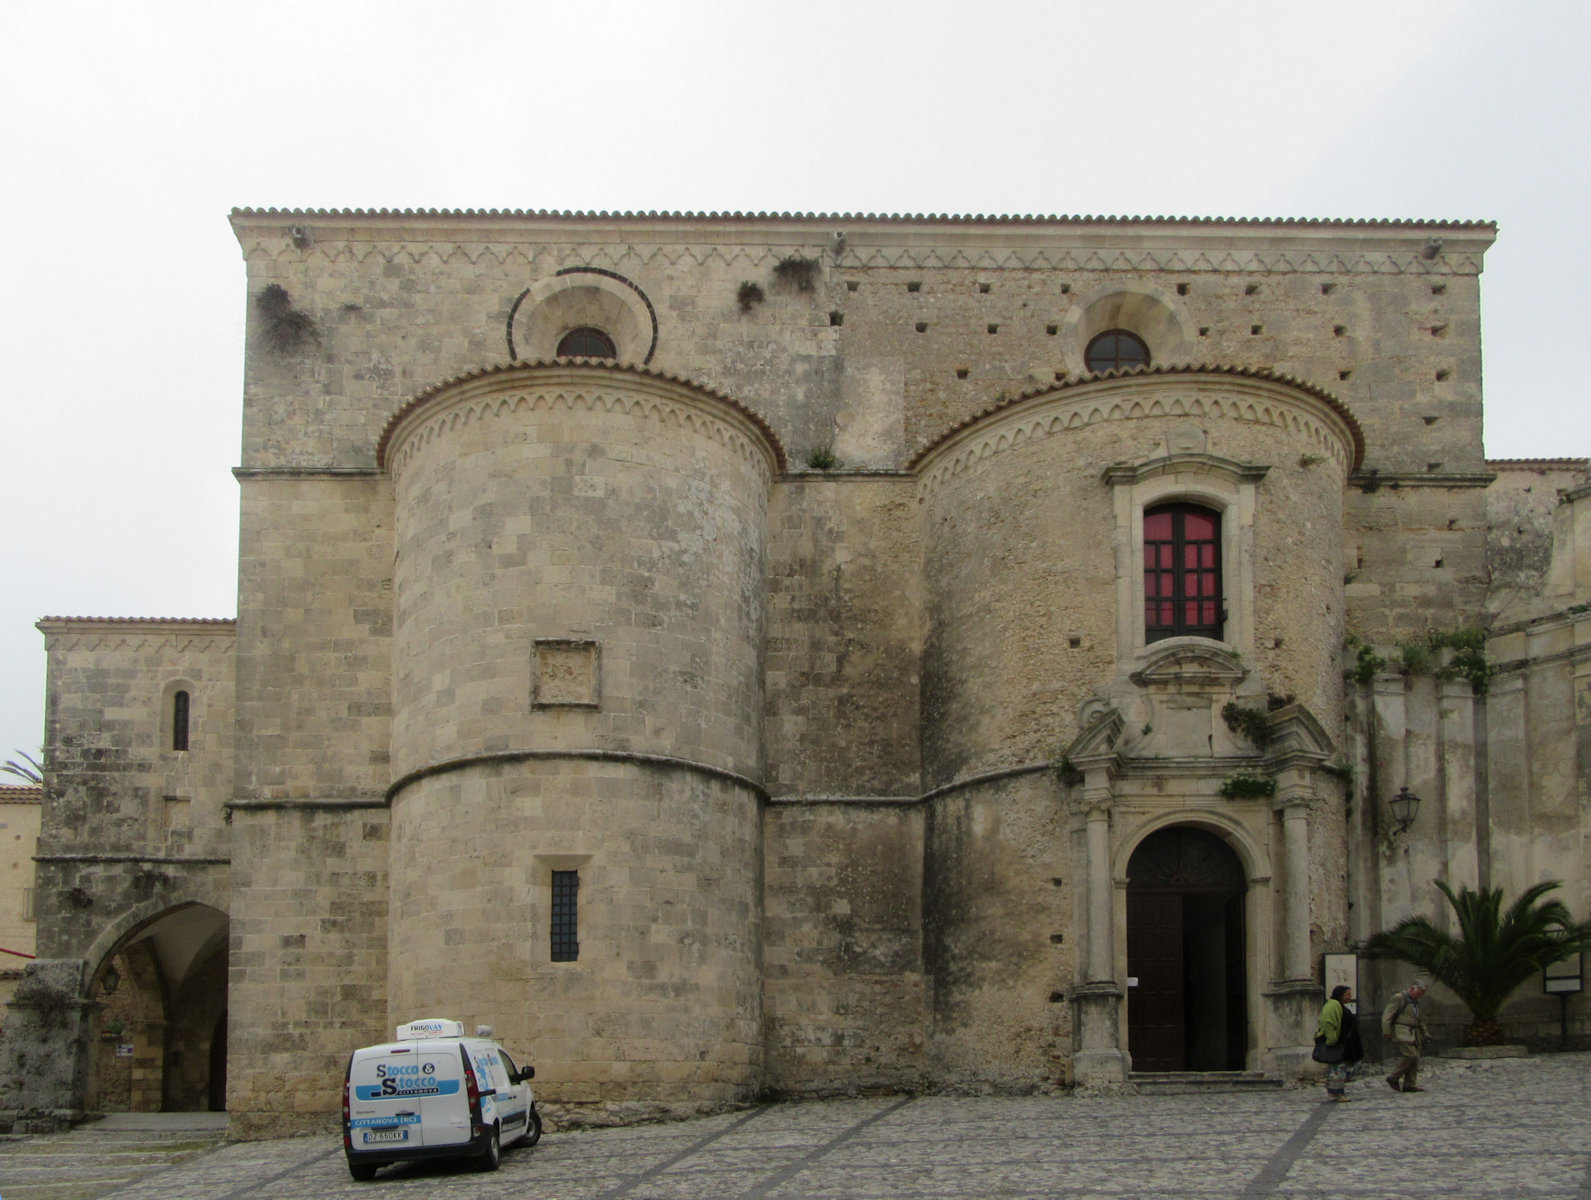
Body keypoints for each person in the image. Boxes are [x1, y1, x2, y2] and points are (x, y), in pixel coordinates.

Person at [1382, 980, 1429, 1092]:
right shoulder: (1399, 998)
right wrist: (1386, 1031)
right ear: (1413, 989)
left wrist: (1425, 1033)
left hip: (1413, 1032)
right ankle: (1394, 1077)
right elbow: (1387, 1015)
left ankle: (1409, 1083)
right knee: (1411, 1055)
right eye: (1420, 992)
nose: (1421, 995)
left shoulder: (1415, 1002)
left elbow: (1419, 1019)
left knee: (1415, 1057)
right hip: (1401, 1031)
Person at [1315, 985, 1360, 1101]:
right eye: (1348, 994)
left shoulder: (1338, 1005)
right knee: (1338, 1068)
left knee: (1340, 1068)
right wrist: (1332, 1040)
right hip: (1337, 1043)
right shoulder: (1333, 1005)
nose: (1350, 997)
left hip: (1343, 1043)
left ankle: (1335, 1089)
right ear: (1340, 995)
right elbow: (1328, 1023)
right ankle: (1337, 1093)